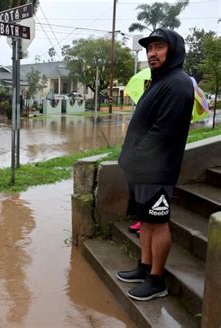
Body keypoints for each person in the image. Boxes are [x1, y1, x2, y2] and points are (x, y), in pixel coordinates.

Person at [116, 28, 194, 301]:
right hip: (143, 169)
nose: (152, 53)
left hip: (158, 169)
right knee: (146, 221)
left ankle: (157, 279)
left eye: (159, 47)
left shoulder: (178, 83)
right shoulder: (158, 81)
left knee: (158, 223)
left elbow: (163, 132)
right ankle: (144, 267)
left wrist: (134, 155)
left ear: (173, 51)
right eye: (150, 49)